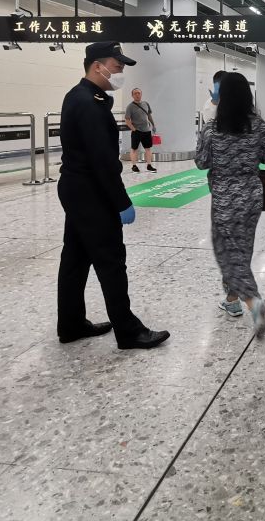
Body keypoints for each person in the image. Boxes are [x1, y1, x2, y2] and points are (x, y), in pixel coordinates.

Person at [56, 42, 170, 350]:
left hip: (77, 188)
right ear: (98, 66)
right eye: (117, 67)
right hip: (91, 192)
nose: (120, 73)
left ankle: (70, 324)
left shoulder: (80, 96)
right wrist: (121, 202)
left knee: (75, 258)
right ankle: (129, 331)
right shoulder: (88, 103)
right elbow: (103, 162)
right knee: (111, 260)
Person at [195, 72, 265, 336]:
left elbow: (201, 162)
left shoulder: (212, 128)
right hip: (251, 194)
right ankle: (232, 299)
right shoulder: (259, 125)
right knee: (242, 250)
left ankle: (254, 303)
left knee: (226, 253)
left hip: (224, 197)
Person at [125, 87, 158, 173]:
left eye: (139, 93)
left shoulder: (146, 104)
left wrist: (153, 125)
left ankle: (149, 165)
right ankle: (134, 166)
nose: (137, 95)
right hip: (137, 131)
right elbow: (127, 120)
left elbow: (149, 115)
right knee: (134, 149)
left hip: (147, 130)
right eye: (135, 93)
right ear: (132, 95)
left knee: (148, 148)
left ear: (141, 94)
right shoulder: (130, 106)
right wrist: (133, 129)